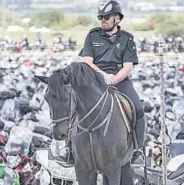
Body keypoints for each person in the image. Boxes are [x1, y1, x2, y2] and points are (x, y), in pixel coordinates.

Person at [60, 0, 145, 167]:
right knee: (73, 106)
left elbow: (128, 67)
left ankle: (137, 149)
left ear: (117, 19)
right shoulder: (92, 35)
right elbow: (87, 62)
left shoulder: (127, 39)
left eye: (106, 17)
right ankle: (69, 147)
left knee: (138, 109)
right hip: (95, 81)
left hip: (120, 80)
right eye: (101, 17)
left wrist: (114, 79)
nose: (103, 20)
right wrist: (103, 76)